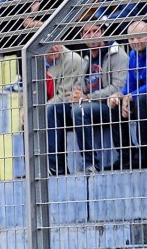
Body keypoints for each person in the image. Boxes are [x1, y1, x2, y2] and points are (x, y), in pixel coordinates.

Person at [69, 21, 129, 173]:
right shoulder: (87, 58)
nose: (92, 36)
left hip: (110, 106)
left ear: (103, 31)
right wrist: (75, 93)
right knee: (53, 111)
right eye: (87, 32)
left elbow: (118, 86)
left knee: (79, 111)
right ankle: (55, 167)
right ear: (81, 36)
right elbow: (79, 84)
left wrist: (88, 97)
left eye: (96, 31)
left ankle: (90, 164)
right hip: (90, 105)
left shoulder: (117, 54)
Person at [108, 20, 147, 169]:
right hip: (140, 97)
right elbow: (129, 85)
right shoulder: (133, 55)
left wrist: (131, 96)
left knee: (141, 100)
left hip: (143, 99)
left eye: (140, 36)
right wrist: (118, 95)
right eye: (131, 38)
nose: (135, 41)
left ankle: (144, 153)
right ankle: (126, 156)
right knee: (115, 104)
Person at [45, 44, 89, 175]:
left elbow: (66, 95)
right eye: (49, 45)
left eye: (56, 43)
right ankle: (33, 169)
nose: (54, 47)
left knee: (51, 111)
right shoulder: (36, 61)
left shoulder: (71, 59)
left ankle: (56, 167)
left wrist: (39, 108)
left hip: (74, 105)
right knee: (28, 119)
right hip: (57, 104)